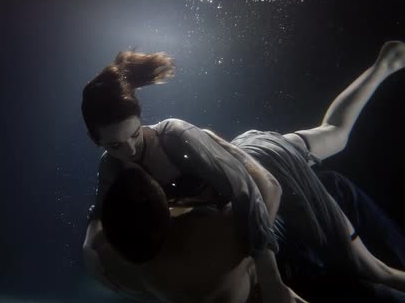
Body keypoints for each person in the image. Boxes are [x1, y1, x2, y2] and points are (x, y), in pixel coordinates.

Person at [81, 41, 405, 302]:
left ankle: (385, 65)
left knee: (370, 268)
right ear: (96, 142)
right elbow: (99, 215)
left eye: (135, 135)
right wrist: (89, 251)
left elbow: (253, 190)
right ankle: (384, 66)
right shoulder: (112, 166)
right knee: (334, 131)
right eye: (115, 145)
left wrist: (270, 277)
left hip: (266, 165)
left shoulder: (174, 136)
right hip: (245, 149)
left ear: (142, 120)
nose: (130, 150)